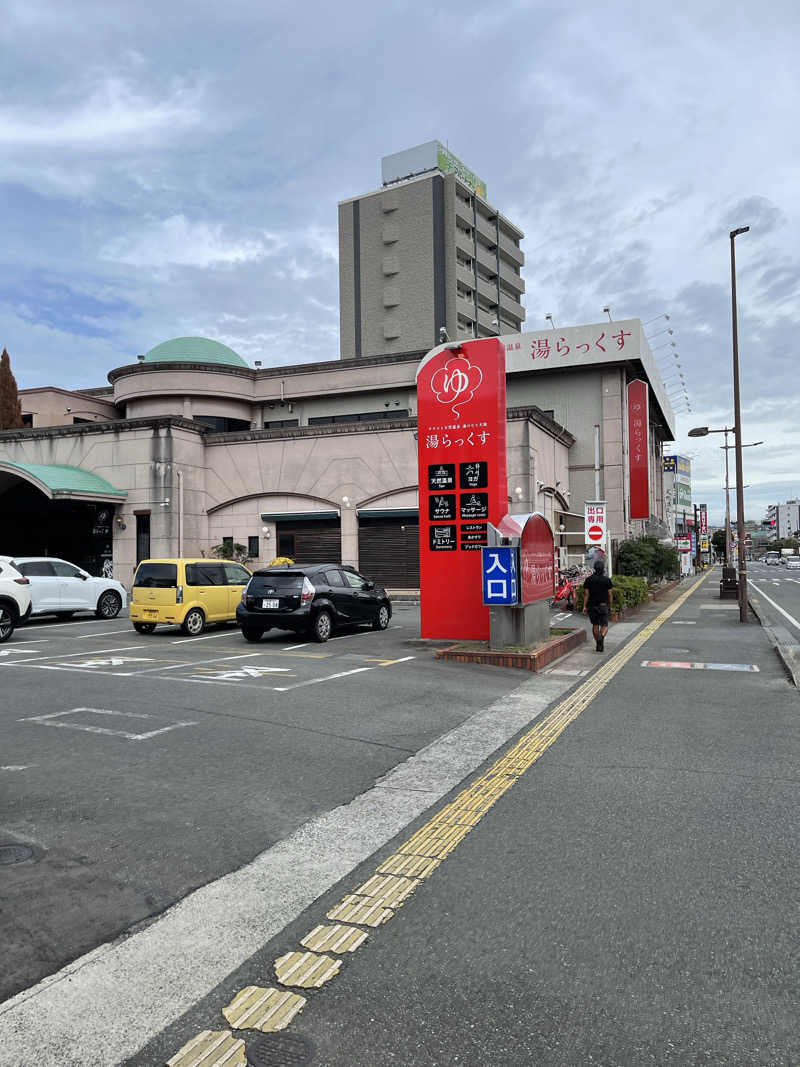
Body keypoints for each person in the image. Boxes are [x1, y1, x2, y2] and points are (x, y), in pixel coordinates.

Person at [582, 559, 614, 652]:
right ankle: (601, 636)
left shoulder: (589, 580)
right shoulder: (607, 580)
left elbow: (586, 594)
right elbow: (610, 594)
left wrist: (584, 606)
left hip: (592, 606)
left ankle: (598, 643)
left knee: (595, 624)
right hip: (603, 606)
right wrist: (611, 606)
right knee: (604, 625)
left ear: (594, 569)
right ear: (603, 569)